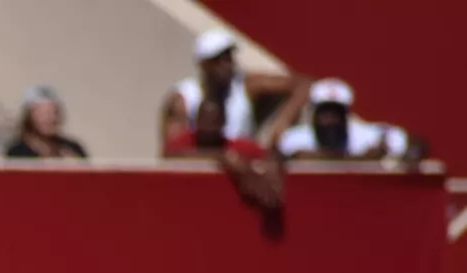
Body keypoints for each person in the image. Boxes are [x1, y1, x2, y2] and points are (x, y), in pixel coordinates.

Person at [161, 28, 309, 153]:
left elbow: (303, 85)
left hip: (244, 166)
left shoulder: (246, 86)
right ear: (203, 64)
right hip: (201, 168)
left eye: (229, 57)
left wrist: (283, 121)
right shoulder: (184, 99)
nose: (226, 65)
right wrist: (223, 159)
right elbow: (173, 152)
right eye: (218, 60)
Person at [277, 79, 415, 163]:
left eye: (336, 113)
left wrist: (402, 155)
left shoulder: (366, 135)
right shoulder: (295, 137)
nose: (330, 120)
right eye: (324, 113)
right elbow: (294, 157)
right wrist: (363, 160)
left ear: (346, 115)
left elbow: (414, 144)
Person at [4, 85, 85, 159]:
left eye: (54, 113)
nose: (50, 118)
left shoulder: (72, 148)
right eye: (43, 114)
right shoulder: (18, 152)